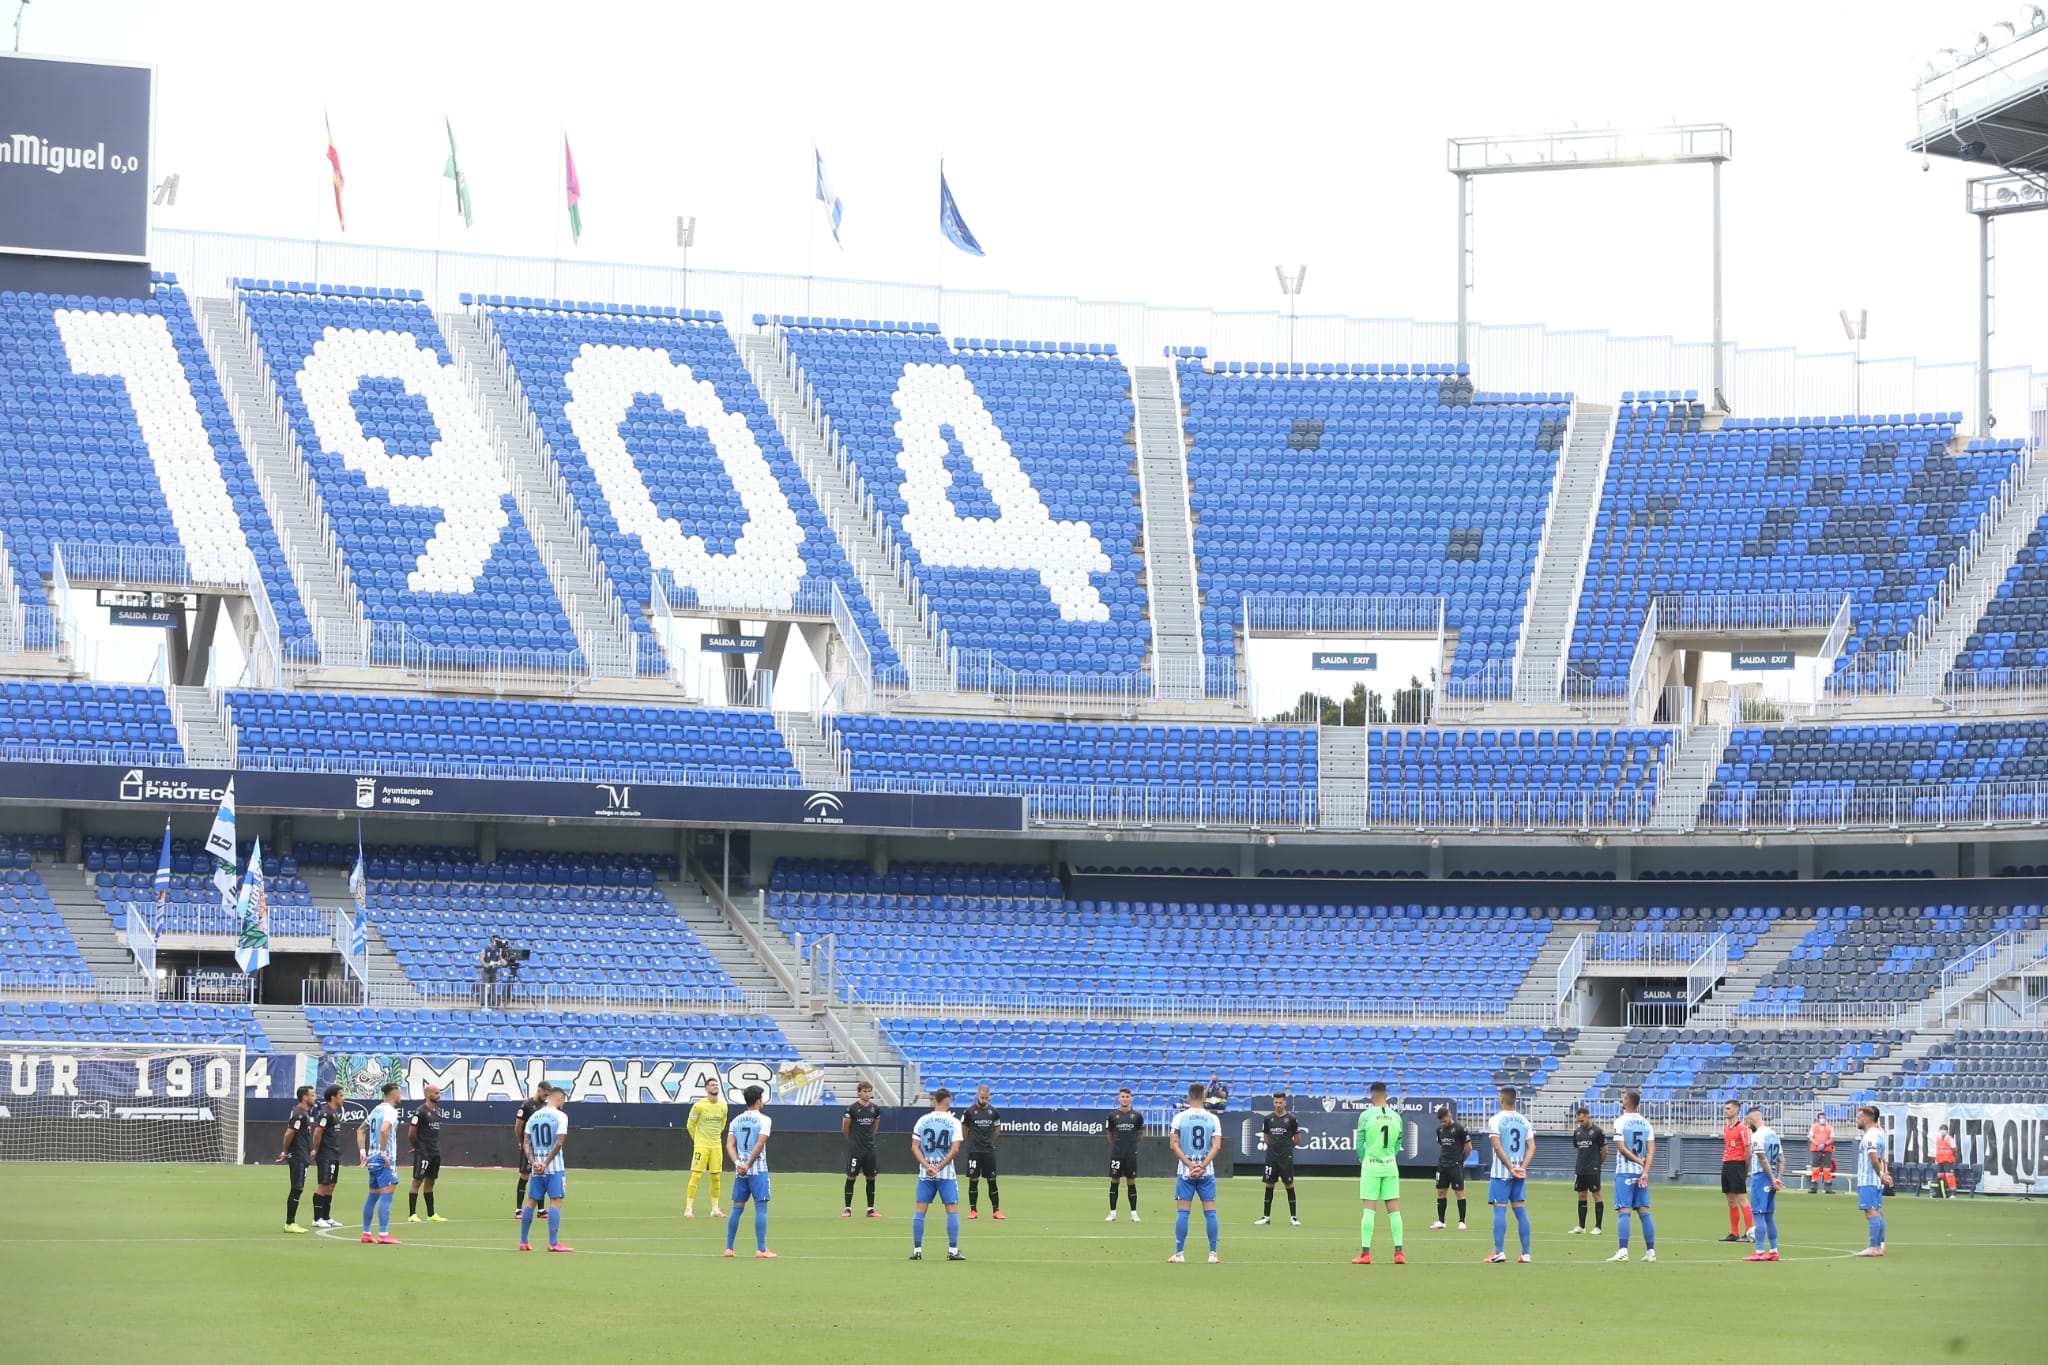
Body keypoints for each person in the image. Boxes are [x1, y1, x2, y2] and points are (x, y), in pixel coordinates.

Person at [1168, 1082, 1223, 1264]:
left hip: (1185, 1172)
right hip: (1207, 1172)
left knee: (1183, 1212)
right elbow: (1216, 1145)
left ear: (1189, 1097)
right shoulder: (1213, 1118)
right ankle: (1213, 1254)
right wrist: (1203, 1165)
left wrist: (1190, 1165)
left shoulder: (1179, 1118)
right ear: (1204, 1097)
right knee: (1211, 1212)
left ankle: (1179, 1253)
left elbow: (1174, 1143)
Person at [909, 1088, 966, 1261]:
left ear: (935, 1101)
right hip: (946, 1174)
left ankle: (917, 1250)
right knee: (952, 1210)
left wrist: (928, 1165)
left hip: (926, 1174)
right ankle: (952, 1250)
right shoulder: (954, 1122)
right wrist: (940, 1167)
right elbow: (955, 1149)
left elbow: (914, 1146)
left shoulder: (922, 1120)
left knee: (920, 1211)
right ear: (948, 1103)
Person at [1352, 1081, 1405, 1265]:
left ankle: (1365, 1253)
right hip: (1390, 1165)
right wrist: (1389, 1156)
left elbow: (1359, 1143)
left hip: (1371, 1166)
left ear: (1372, 1096)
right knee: (1394, 1208)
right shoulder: (1397, 1117)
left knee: (1369, 1208)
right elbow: (1398, 1144)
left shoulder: (1366, 1116)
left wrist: (1364, 1158)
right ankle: (1399, 1252)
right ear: (1386, 1095)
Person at [723, 1084, 775, 1259]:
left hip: (740, 1172)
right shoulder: (764, 1120)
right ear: (759, 1101)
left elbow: (729, 1144)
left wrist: (739, 1163)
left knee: (736, 1209)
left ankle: (729, 1248)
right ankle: (761, 1249)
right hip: (758, 1170)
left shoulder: (736, 1120)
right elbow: (760, 1144)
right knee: (761, 1208)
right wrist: (749, 1164)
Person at [519, 1085, 573, 1252]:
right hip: (554, 1167)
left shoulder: (534, 1116)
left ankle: (523, 1241)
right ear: (559, 1098)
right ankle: (553, 1242)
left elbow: (526, 1142)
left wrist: (534, 1162)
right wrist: (547, 1163)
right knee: (556, 1201)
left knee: (531, 1202)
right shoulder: (561, 1116)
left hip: (536, 1167)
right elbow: (559, 1143)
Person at [1607, 1091, 1658, 1264]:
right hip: (1641, 1174)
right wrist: (1645, 1170)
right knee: (1644, 1212)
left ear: (1628, 1102)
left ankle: (1623, 1251)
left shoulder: (1621, 1121)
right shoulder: (1646, 1123)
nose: (1622, 1101)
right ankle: (1651, 1252)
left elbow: (1621, 1148)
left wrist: (1637, 1161)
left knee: (1624, 1212)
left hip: (1625, 1171)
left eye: (1623, 1099)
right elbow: (1651, 1149)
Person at [1484, 1086, 1533, 1264]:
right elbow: (1532, 1147)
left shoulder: (1496, 1120)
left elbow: (1497, 1147)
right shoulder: (1524, 1121)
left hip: (1501, 1172)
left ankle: (1499, 1251)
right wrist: (1521, 1168)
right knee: (1520, 1209)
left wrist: (1510, 1167)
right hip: (1519, 1173)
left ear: (1501, 1099)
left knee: (1499, 1208)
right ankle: (1526, 1253)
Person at [358, 1082, 403, 1245]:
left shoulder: (376, 1110)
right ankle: (384, 1234)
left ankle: (366, 1233)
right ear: (394, 1094)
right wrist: (384, 1153)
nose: (401, 1096)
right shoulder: (390, 1111)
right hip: (384, 1159)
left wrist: (363, 1153)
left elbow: (361, 1129)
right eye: (400, 1092)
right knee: (387, 1195)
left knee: (373, 1195)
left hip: (372, 1158)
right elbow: (384, 1130)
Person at [1743, 1106, 1785, 1262]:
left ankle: (1759, 1251)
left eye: (1748, 1122)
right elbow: (1781, 1159)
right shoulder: (1773, 1134)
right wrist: (1777, 1177)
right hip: (1772, 1175)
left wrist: (1771, 1179)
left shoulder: (1757, 1136)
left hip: (1761, 1177)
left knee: (1758, 1214)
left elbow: (1762, 1159)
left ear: (1753, 1120)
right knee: (1769, 1215)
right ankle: (1773, 1250)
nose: (1747, 1126)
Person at [684, 1075, 729, 1220]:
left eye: (716, 1084)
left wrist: (714, 1137)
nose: (715, 1086)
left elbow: (722, 1125)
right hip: (702, 1146)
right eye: (712, 1085)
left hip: (716, 1145)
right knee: (696, 1175)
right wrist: (697, 1140)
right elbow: (690, 1124)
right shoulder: (699, 1106)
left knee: (716, 1177)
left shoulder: (723, 1106)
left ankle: (715, 1209)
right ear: (706, 1088)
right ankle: (688, 1209)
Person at [1255, 1092, 1302, 1226]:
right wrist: (1273, 1147)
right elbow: (1265, 1137)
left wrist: (1287, 1148)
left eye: (1280, 1102)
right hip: (1271, 1157)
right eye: (1276, 1102)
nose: (1278, 1105)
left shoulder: (1291, 1119)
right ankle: (1266, 1216)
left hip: (1285, 1158)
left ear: (1285, 1103)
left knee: (1289, 1185)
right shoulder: (1268, 1119)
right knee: (1269, 1185)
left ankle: (1293, 1217)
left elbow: (1297, 1139)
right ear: (1273, 1103)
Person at [1851, 1104, 1892, 1257]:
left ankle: (1873, 1247)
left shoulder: (1870, 1136)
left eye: (1859, 1117)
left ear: (1866, 1119)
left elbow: (1874, 1158)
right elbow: (1882, 1158)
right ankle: (1880, 1246)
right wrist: (1883, 1174)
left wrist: (1881, 1174)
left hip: (1868, 1179)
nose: (1857, 1120)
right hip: (1875, 1181)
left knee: (1871, 1212)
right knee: (1878, 1211)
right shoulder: (1880, 1134)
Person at [406, 1085, 447, 1223]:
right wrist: (418, 1147)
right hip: (423, 1153)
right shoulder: (420, 1112)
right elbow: (411, 1133)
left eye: (439, 1092)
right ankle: (412, 1214)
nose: (438, 1095)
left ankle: (431, 1214)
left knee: (431, 1182)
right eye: (436, 1093)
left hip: (434, 1152)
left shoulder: (439, 1112)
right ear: (428, 1094)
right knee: (417, 1181)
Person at [842, 1080, 883, 1219]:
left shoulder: (875, 1109)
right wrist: (854, 1141)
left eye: (869, 1091)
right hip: (856, 1149)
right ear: (859, 1092)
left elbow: (875, 1128)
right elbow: (845, 1128)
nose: (867, 1093)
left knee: (871, 1178)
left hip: (870, 1149)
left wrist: (868, 1140)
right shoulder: (852, 1109)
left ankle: (870, 1209)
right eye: (864, 1091)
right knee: (851, 1177)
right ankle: (847, 1209)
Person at [962, 1085, 1004, 1220]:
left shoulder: (994, 1112)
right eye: (982, 1097)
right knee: (974, 1179)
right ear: (977, 1095)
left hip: (988, 1151)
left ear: (989, 1097)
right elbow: (964, 1127)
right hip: (974, 1151)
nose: (984, 1100)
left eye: (986, 1098)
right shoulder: (969, 1111)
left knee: (992, 1179)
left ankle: (996, 1210)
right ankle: (973, 1210)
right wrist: (969, 1141)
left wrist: (990, 1141)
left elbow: (997, 1129)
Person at [278, 1085, 315, 1233]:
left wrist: (310, 1148)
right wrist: (286, 1152)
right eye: (312, 1095)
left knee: (298, 1188)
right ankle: (290, 1223)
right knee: (297, 1188)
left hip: (302, 1154)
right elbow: (289, 1134)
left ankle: (291, 1222)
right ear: (305, 1097)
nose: (314, 1098)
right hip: (298, 1156)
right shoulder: (299, 1114)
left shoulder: (302, 1113)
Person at [1104, 1087, 1144, 1222]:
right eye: (1122, 1096)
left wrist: (1131, 1145)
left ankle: (1134, 1213)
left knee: (1131, 1182)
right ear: (1118, 1098)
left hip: (1131, 1154)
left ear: (1131, 1098)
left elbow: (1139, 1134)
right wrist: (1117, 1145)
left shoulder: (1137, 1116)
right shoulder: (1112, 1116)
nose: (1125, 1099)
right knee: (1114, 1181)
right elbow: (1109, 1134)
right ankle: (1112, 1213)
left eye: (1127, 1097)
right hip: (1116, 1154)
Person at [1430, 1104, 1473, 1230]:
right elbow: (1441, 1145)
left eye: (1444, 1121)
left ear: (1450, 1116)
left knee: (1459, 1193)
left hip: (1455, 1166)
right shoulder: (1439, 1130)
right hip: (1442, 1165)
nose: (1443, 1123)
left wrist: (1460, 1160)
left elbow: (1468, 1147)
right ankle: (1441, 1221)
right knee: (1441, 1192)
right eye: (1441, 1121)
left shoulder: (1460, 1129)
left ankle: (1462, 1221)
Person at [310, 1084, 345, 1229]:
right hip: (326, 1154)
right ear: (333, 1097)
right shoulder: (325, 1113)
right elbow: (318, 1132)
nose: (343, 1098)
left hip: (334, 1154)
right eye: (341, 1095)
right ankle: (317, 1218)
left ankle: (326, 1216)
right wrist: (316, 1149)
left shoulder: (335, 1112)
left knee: (331, 1185)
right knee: (323, 1185)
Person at [1719, 1099, 1755, 1242]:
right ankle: (1734, 1233)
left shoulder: (1743, 1129)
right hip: (1727, 1164)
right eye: (1725, 1108)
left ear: (1736, 1110)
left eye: (1728, 1108)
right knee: (1730, 1199)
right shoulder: (1726, 1128)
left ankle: (1748, 1232)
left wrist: (1744, 1168)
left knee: (1742, 1198)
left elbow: (1748, 1151)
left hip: (1737, 1165)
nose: (1725, 1111)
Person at [1569, 1106, 1607, 1235]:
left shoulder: (1597, 1132)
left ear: (1588, 1117)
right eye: (1578, 1121)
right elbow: (1577, 1149)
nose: (1580, 1123)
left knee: (1596, 1195)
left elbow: (1605, 1151)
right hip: (1580, 1169)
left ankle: (1598, 1227)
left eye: (1582, 1121)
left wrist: (1598, 1163)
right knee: (1581, 1195)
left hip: (1593, 1169)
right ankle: (1581, 1226)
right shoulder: (1577, 1132)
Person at [513, 1081, 549, 1216]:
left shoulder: (544, 1106)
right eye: (545, 1094)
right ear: (539, 1090)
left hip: (540, 1147)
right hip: (529, 1146)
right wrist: (522, 1143)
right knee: (525, 1175)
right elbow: (518, 1126)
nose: (546, 1097)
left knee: (541, 1174)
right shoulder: (527, 1105)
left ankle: (540, 1210)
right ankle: (518, 1209)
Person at [1807, 1111, 1836, 1194]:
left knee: (1827, 1169)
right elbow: (1811, 1138)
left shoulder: (1830, 1127)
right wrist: (1817, 1144)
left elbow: (1832, 1138)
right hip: (1816, 1150)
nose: (1822, 1119)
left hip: (1827, 1150)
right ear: (1818, 1119)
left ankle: (1828, 1188)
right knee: (1815, 1168)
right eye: (1821, 1118)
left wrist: (1825, 1144)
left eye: (1823, 1118)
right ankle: (1813, 1187)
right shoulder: (1814, 1127)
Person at [1933, 1124, 1958, 1199]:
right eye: (1941, 1129)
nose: (1942, 1130)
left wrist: (1950, 1155)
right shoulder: (1938, 1139)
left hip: (1948, 1160)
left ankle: (1953, 1193)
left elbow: (1954, 1149)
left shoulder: (1949, 1139)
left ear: (1946, 1130)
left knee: (1949, 1176)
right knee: (1940, 1176)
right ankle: (1941, 1192)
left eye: (1943, 1129)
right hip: (1940, 1160)